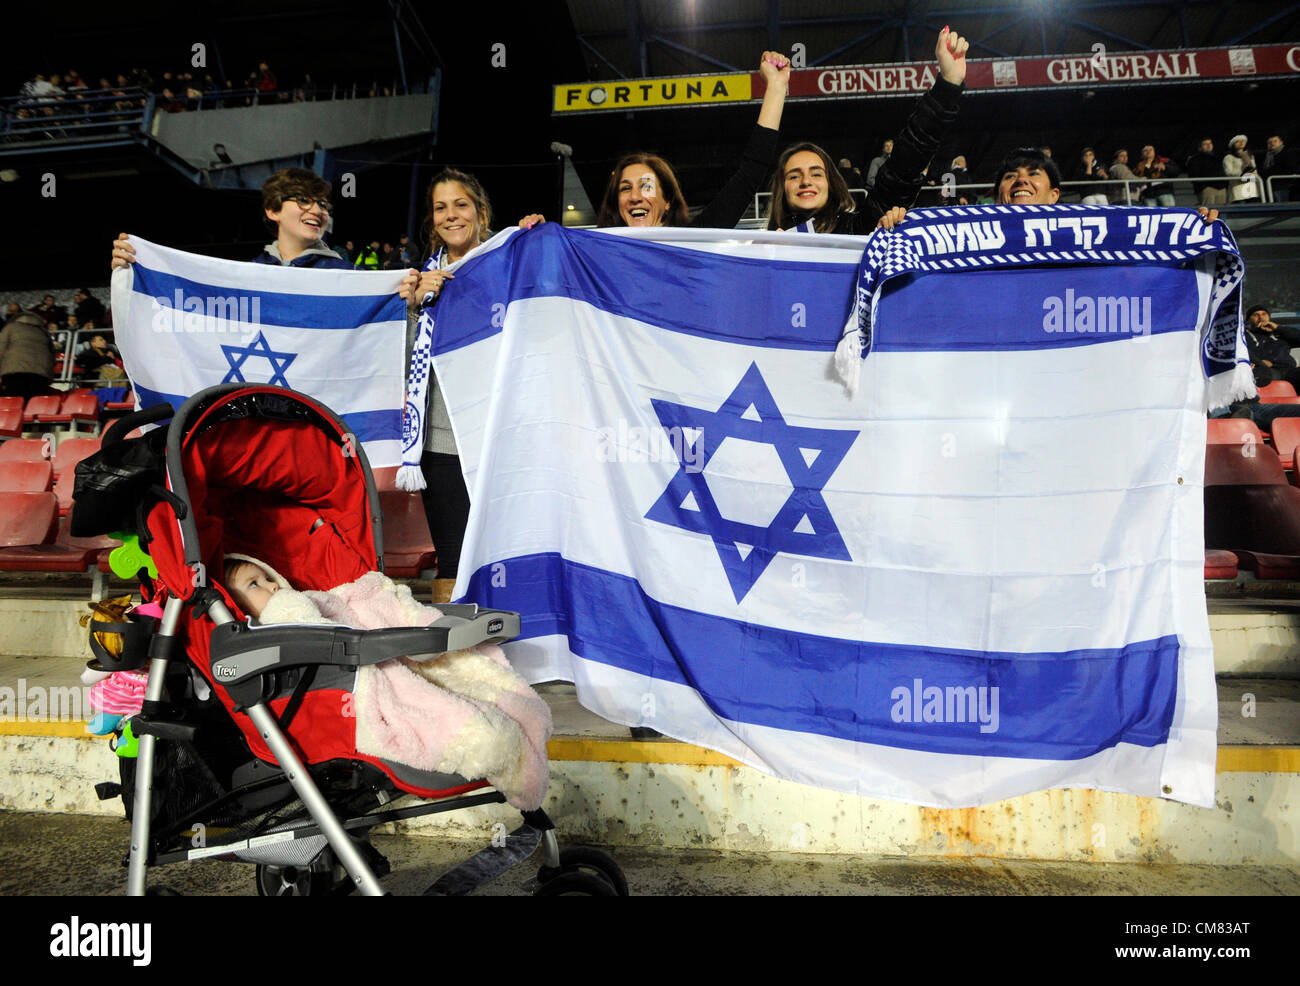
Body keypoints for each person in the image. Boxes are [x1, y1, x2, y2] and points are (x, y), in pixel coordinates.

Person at [765, 27, 968, 234]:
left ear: (832, 184)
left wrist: (947, 87)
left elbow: (901, 172)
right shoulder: (760, 249)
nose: (806, 181)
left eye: (816, 174)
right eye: (793, 176)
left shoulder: (859, 228)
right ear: (782, 188)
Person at [394, 168, 495, 579]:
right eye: (440, 207)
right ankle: (457, 647)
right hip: (441, 444)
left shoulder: (506, 269)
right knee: (452, 562)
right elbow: (401, 369)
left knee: (503, 553)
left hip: (496, 439)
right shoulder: (418, 281)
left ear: (481, 213)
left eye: (461, 205)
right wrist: (415, 307)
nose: (451, 215)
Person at [590, 51, 791, 230]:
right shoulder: (593, 256)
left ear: (667, 201)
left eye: (646, 186)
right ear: (616, 203)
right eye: (625, 188)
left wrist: (776, 87)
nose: (634, 197)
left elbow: (750, 173)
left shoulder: (692, 245)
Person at [112, 167, 352, 271]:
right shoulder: (244, 275)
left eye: (322, 204)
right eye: (302, 200)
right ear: (273, 210)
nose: (317, 210)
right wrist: (135, 270)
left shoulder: (350, 277)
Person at [0, 309, 56, 399]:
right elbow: (52, 357)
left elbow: (1, 349)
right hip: (40, 376)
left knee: (14, 404)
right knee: (33, 407)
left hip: (14, 372)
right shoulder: (44, 332)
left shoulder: (10, 328)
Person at [1185, 138, 1226, 206]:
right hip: (1207, 189)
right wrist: (1203, 187)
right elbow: (1194, 175)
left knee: (1220, 212)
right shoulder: (1194, 159)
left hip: (1221, 188)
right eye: (1205, 144)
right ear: (1200, 147)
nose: (1208, 145)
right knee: (1207, 211)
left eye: (1210, 143)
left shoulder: (1218, 157)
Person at [1260, 135, 1298, 202]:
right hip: (1270, 186)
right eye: (1269, 142)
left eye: (1275, 141)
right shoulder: (1266, 156)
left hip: (1283, 186)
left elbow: (1291, 169)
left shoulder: (1287, 153)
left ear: (1281, 142)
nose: (1272, 143)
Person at [1223, 134, 1258, 201]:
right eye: (1238, 141)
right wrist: (1243, 174)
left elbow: (1255, 170)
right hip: (1238, 188)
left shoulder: (1250, 156)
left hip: (1251, 188)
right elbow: (1228, 172)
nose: (1241, 142)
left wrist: (1252, 174)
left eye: (1243, 141)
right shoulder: (1229, 157)